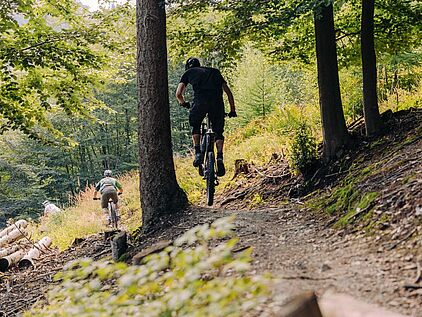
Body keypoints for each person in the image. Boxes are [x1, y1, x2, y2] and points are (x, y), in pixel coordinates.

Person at [175, 57, 236, 177]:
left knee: (196, 125)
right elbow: (228, 92)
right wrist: (232, 110)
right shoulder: (215, 71)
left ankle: (198, 152)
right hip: (217, 103)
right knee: (218, 131)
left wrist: (183, 103)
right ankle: (219, 157)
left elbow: (178, 94)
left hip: (200, 103)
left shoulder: (188, 73)